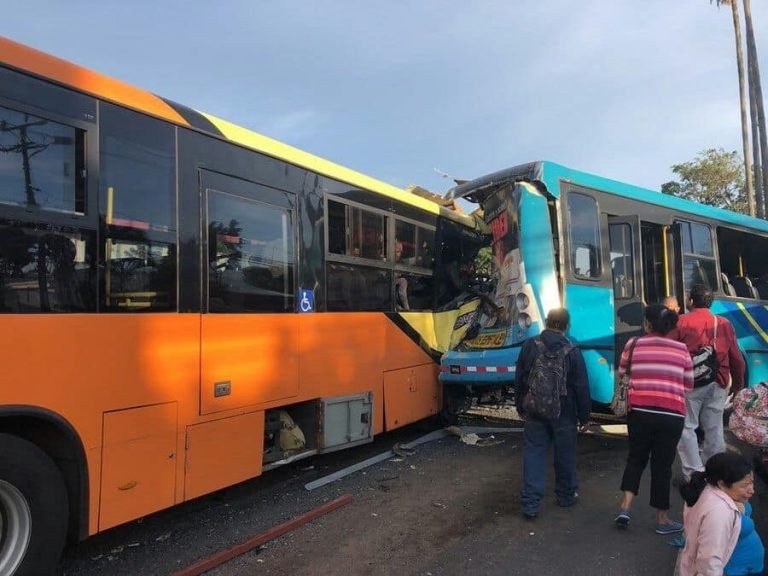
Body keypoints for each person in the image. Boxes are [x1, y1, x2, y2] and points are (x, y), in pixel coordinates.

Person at [614, 304, 692, 534]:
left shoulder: (634, 344)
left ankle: (624, 509)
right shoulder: (682, 350)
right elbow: (688, 384)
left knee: (636, 458)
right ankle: (662, 519)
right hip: (671, 414)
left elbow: (622, 372)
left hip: (640, 412)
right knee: (663, 465)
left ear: (647, 324)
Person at [515, 308, 590, 519]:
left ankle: (530, 503)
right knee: (565, 454)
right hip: (564, 411)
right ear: (567, 325)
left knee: (534, 453)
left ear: (547, 322)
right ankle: (566, 495)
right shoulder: (572, 350)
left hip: (535, 410)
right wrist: (584, 416)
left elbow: (520, 377)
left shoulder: (531, 345)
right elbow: (581, 385)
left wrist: (521, 405)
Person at [673, 284, 746, 480]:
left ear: (690, 301)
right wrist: (737, 385)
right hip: (718, 382)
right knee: (714, 427)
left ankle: (694, 473)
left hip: (688, 383)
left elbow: (670, 353)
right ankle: (715, 472)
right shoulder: (722, 323)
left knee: (687, 426)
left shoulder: (680, 322)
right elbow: (736, 358)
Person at [679, 452, 761, 576]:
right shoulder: (718, 513)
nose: (752, 490)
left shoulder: (714, 488)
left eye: (751, 482)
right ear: (722, 484)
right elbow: (709, 561)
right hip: (733, 570)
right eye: (744, 485)